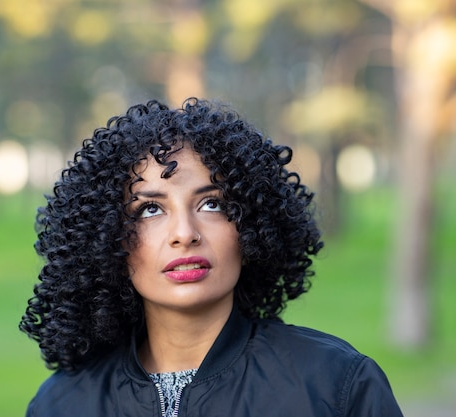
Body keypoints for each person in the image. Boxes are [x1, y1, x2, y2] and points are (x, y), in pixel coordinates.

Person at [20, 98, 403, 417]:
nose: (185, 234)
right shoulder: (61, 405)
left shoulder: (334, 386)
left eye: (211, 204)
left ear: (251, 225)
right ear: (105, 238)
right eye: (150, 209)